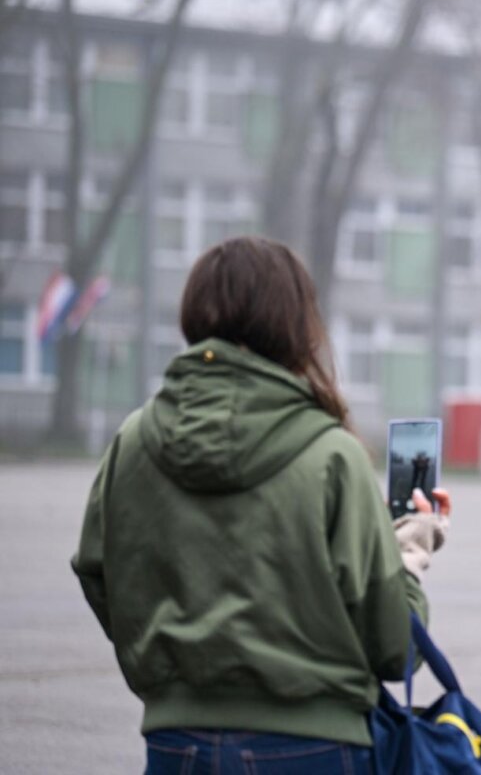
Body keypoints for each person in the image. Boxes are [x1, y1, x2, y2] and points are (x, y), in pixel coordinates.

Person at [71, 236, 451, 775]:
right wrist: (408, 560)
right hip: (316, 747)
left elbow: (97, 571)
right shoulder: (332, 455)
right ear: (296, 324)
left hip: (175, 744)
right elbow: (393, 647)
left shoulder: (131, 443)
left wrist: (172, 657)